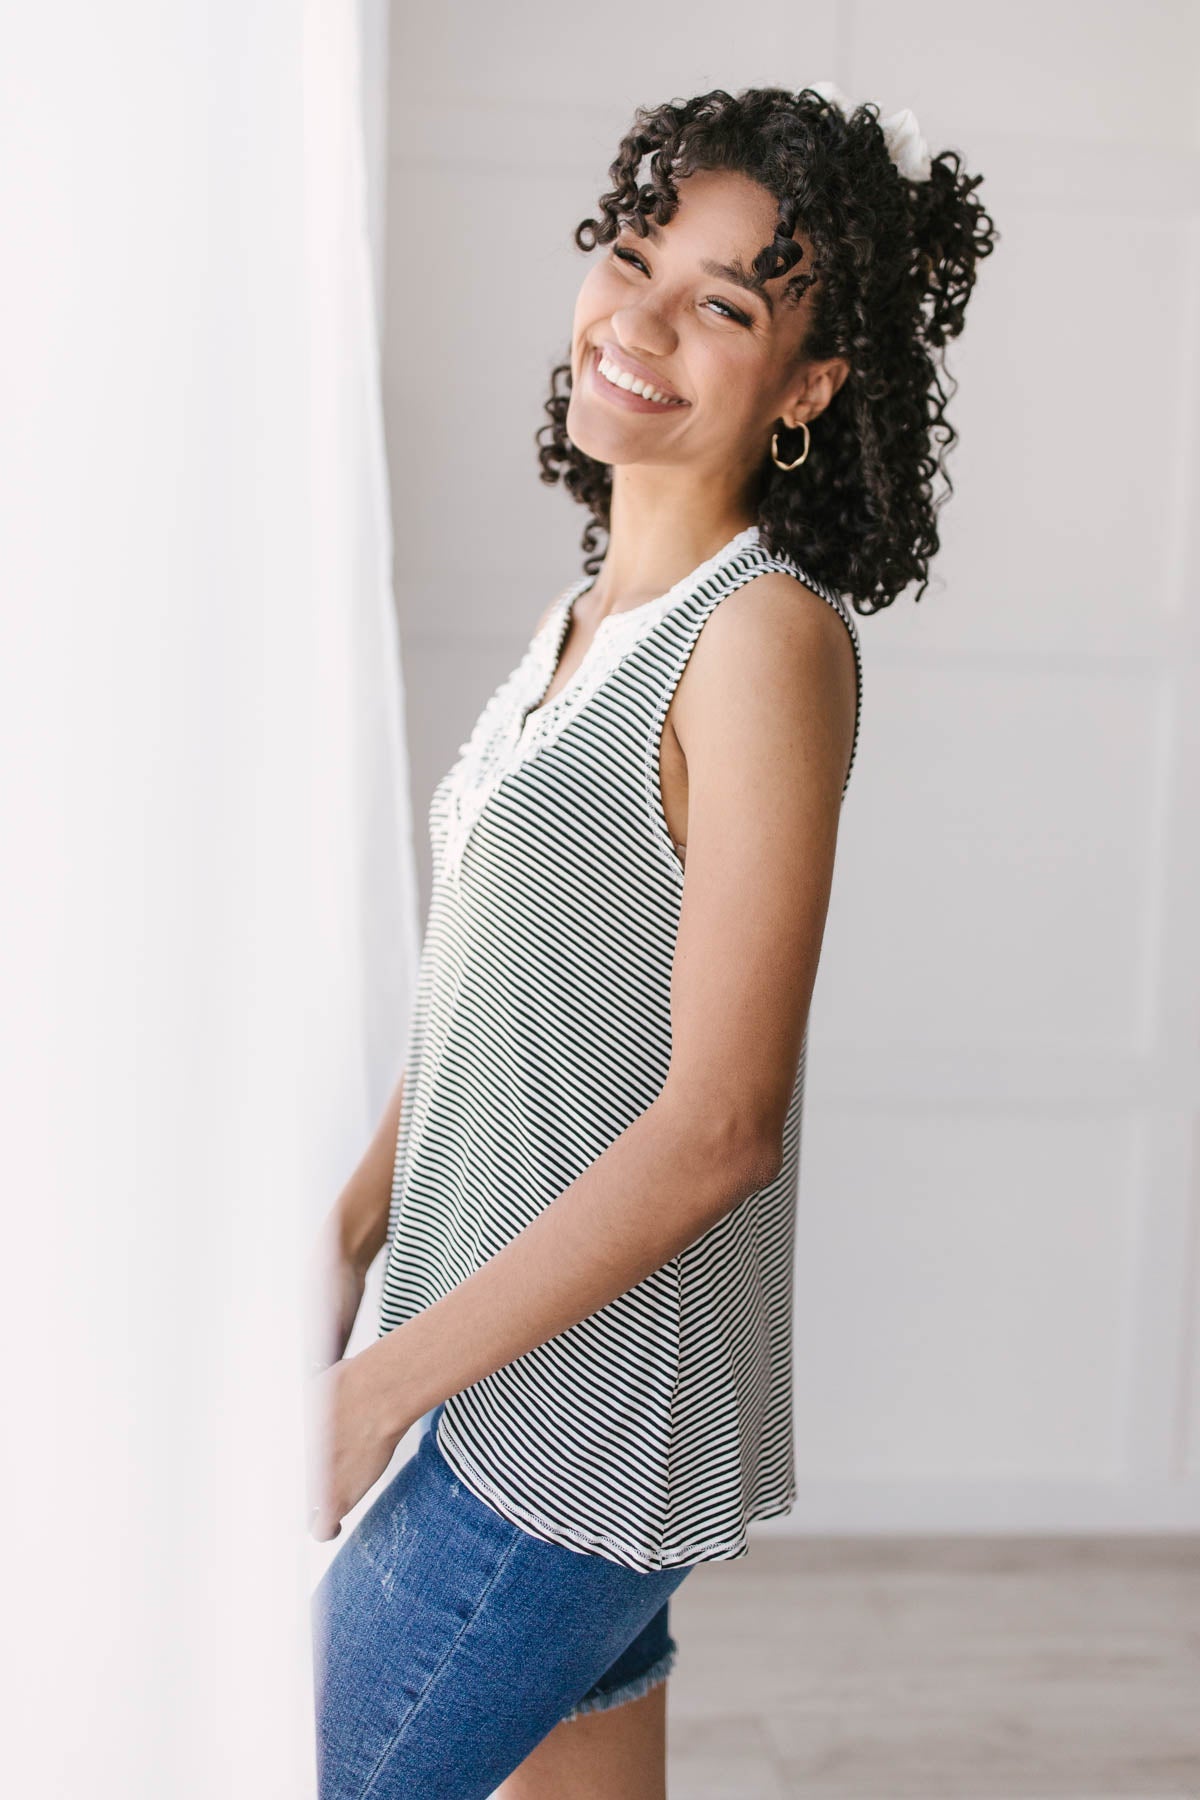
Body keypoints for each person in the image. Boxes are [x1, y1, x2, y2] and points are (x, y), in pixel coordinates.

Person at [307, 81, 998, 1800]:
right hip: (514, 1400)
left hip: (554, 1442)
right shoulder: (589, 618)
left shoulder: (757, 641)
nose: (643, 322)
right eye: (633, 258)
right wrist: (351, 1225)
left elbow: (719, 1126)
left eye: (726, 305)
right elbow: (497, 993)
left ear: (810, 386)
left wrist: (377, 1391)